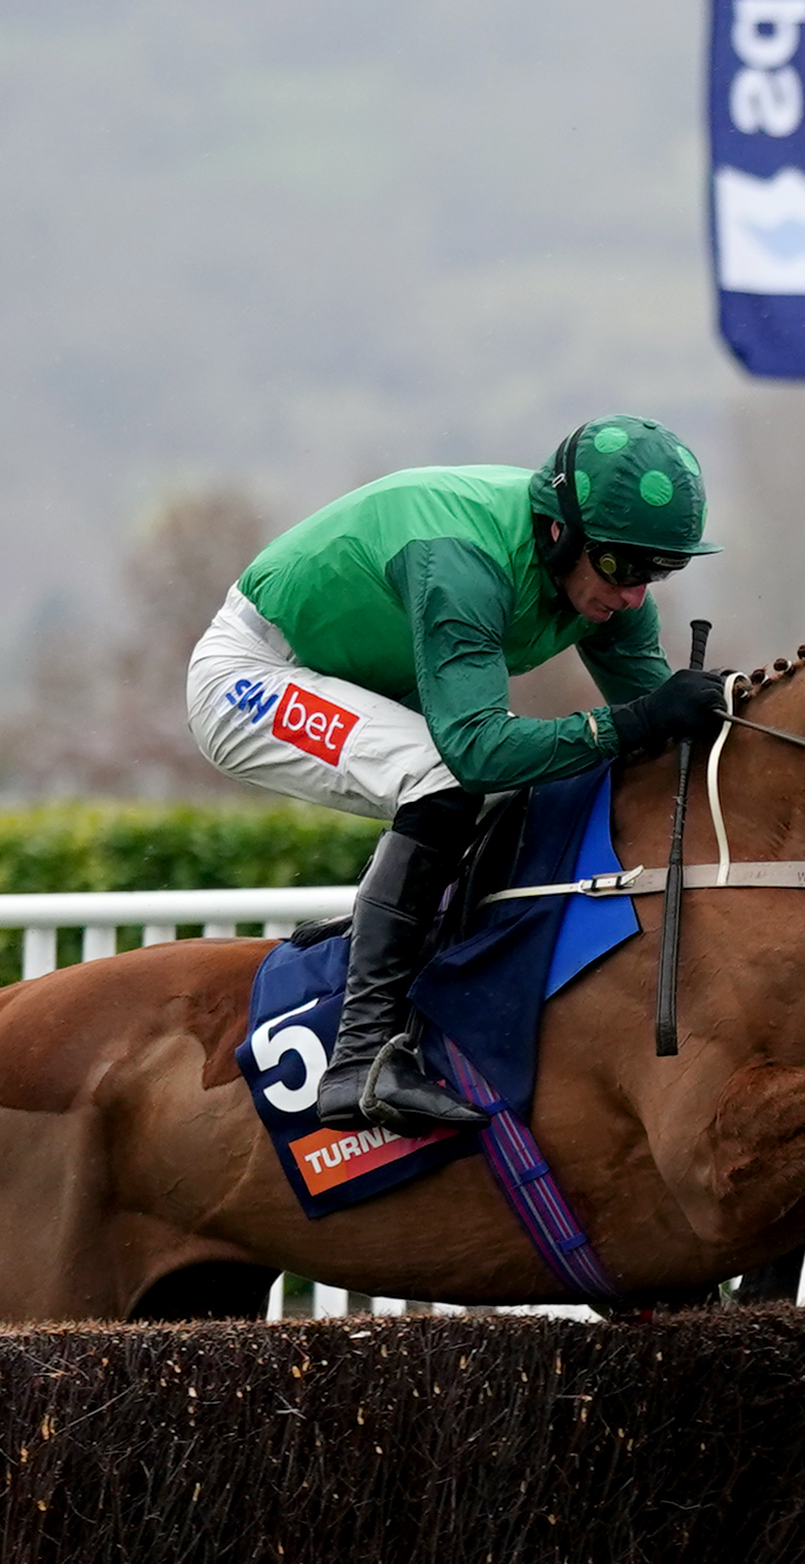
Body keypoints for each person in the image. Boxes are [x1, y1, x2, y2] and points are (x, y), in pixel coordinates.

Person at [188, 419, 729, 1132]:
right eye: (625, 568)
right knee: (446, 776)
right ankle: (361, 1060)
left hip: (359, 681)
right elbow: (479, 750)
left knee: (518, 774)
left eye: (657, 572)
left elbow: (660, 736)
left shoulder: (600, 581)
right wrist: (629, 724)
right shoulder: (463, 562)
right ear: (559, 533)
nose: (635, 596)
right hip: (253, 675)